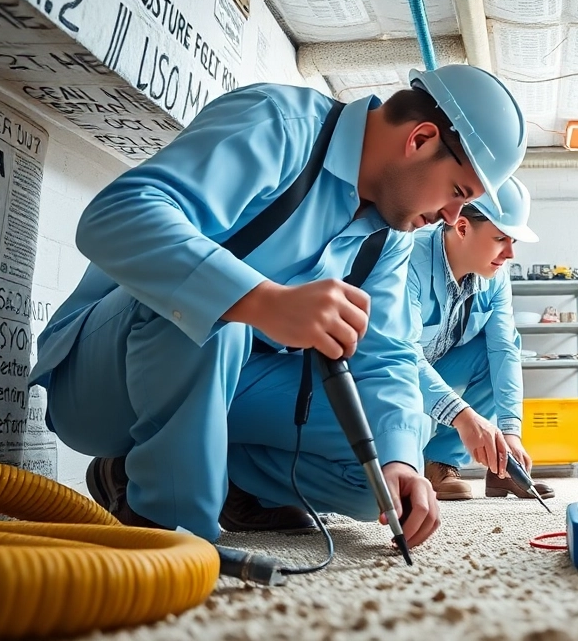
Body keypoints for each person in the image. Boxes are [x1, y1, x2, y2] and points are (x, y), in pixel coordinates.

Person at [27, 64, 527, 546]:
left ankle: (206, 477)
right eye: (458, 193)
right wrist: (262, 301)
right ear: (419, 140)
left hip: (234, 389)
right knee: (220, 316)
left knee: (382, 467)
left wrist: (401, 461)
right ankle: (171, 528)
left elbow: (389, 355)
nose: (451, 216)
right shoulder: (279, 123)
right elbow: (116, 216)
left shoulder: (388, 235)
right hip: (102, 381)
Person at [408, 177, 554, 502]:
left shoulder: (496, 277)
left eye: (513, 240)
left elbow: (504, 351)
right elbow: (401, 356)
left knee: (495, 354)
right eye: (501, 238)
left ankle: (451, 464)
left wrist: (511, 433)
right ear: (461, 228)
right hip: (391, 377)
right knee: (362, 480)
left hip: (439, 369)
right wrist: (464, 417)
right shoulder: (409, 261)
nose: (511, 253)